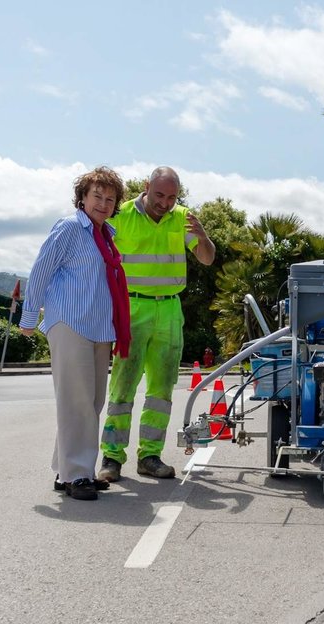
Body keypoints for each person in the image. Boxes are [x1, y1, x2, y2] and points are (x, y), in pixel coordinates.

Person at [98, 167, 215, 482]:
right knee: (122, 386)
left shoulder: (183, 218)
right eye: (160, 195)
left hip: (169, 309)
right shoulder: (120, 215)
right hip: (131, 307)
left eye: (172, 197)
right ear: (147, 187)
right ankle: (111, 458)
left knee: (162, 389)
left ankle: (149, 456)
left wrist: (203, 237)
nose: (165, 203)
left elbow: (206, 258)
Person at [20, 166, 130, 501]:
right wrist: (28, 317)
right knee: (76, 401)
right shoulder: (69, 228)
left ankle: (66, 469)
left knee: (91, 401)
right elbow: (41, 269)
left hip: (98, 326)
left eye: (110, 199)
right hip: (70, 322)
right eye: (97, 195)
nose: (103, 203)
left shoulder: (106, 235)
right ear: (82, 198)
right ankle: (78, 475)